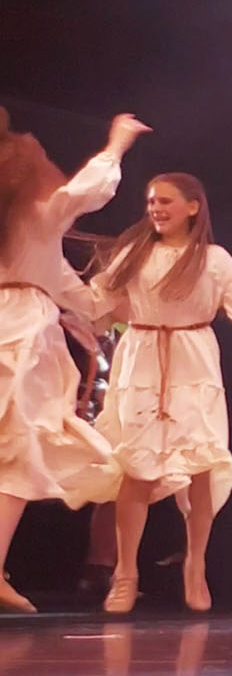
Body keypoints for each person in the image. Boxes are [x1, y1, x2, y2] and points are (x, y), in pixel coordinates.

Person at [89, 172, 232, 613]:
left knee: (201, 464)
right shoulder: (135, 252)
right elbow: (97, 300)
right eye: (151, 201)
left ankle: (196, 565)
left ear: (193, 206)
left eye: (165, 201)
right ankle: (125, 572)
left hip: (193, 362)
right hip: (143, 358)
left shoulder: (214, 259)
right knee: (136, 466)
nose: (156, 208)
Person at [0, 109, 148, 614]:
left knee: (17, 449)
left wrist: (115, 307)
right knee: (18, 450)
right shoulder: (38, 217)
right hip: (19, 330)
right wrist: (117, 144)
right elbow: (87, 191)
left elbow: (72, 289)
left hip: (19, 321)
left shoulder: (32, 238)